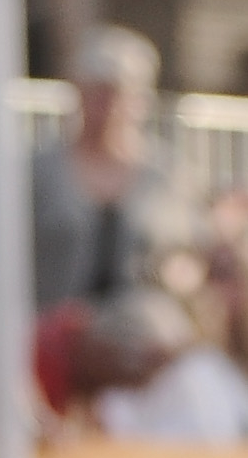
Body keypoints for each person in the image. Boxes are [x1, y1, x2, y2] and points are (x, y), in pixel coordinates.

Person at [30, 23, 181, 313]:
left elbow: (190, 250)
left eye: (116, 93)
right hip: (54, 335)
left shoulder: (166, 175)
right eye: (95, 92)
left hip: (142, 337)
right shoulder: (40, 170)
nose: (106, 105)